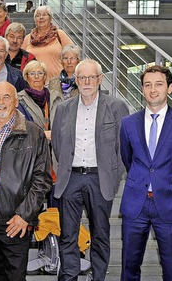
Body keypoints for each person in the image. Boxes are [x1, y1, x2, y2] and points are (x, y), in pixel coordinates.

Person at [51, 59, 129, 281]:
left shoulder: (116, 107)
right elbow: (57, 143)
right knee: (68, 235)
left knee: (101, 235)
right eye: (82, 77)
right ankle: (69, 277)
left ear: (100, 79)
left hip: (100, 179)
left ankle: (98, 277)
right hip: (71, 179)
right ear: (76, 80)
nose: (86, 82)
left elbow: (122, 147)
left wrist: (114, 178)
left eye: (91, 77)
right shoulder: (64, 108)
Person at [0, 81, 52, 280]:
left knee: (13, 275)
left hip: (15, 216)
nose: (0, 102)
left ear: (15, 102)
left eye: (6, 97)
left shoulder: (33, 133)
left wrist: (24, 214)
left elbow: (43, 179)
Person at [120, 65, 172, 281]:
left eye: (159, 84)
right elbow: (128, 159)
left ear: (170, 88)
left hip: (171, 204)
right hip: (136, 204)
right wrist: (142, 181)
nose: (153, 89)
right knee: (129, 268)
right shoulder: (127, 123)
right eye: (148, 85)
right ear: (142, 89)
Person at [21, 5, 73, 79]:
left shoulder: (59, 34)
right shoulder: (28, 38)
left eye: (45, 14)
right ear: (35, 19)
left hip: (57, 84)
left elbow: (73, 55)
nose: (41, 17)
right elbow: (21, 62)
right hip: (33, 84)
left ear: (50, 18)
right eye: (38, 15)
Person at [17, 60, 51, 139]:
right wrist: (43, 134)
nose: (36, 77)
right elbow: (21, 126)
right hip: (32, 144)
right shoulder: (19, 99)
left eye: (40, 73)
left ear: (45, 77)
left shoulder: (55, 97)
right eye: (32, 73)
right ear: (26, 77)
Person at [48, 44, 81, 121]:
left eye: (72, 58)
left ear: (78, 61)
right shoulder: (53, 82)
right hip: (57, 121)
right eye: (65, 58)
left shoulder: (83, 81)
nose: (69, 62)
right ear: (61, 61)